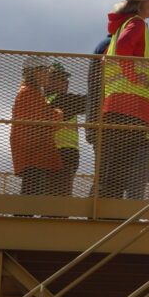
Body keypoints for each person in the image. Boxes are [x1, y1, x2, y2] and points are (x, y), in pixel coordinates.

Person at [97, 0, 149, 200]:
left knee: (114, 167)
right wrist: (136, 77)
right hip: (131, 109)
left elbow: (110, 58)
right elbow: (123, 51)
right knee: (123, 167)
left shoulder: (121, 27)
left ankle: (106, 211)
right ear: (142, 1)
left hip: (118, 107)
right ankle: (112, 214)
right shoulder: (136, 24)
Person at [10, 58, 63, 197]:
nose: (48, 75)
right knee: (31, 192)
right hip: (33, 152)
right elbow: (42, 122)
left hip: (33, 151)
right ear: (34, 72)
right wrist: (58, 113)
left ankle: (24, 217)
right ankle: (23, 218)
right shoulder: (28, 93)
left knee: (33, 191)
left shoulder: (32, 93)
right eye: (45, 71)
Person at [43, 61, 87, 197]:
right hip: (62, 154)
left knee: (50, 195)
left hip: (55, 154)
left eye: (65, 79)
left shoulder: (44, 101)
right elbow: (89, 102)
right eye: (59, 78)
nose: (65, 83)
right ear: (47, 81)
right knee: (60, 198)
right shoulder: (59, 100)